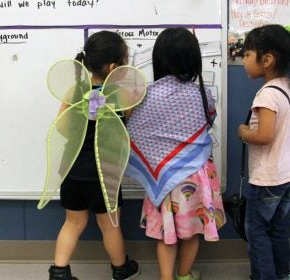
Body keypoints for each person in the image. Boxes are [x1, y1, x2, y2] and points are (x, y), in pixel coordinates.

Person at [126, 27, 226, 280]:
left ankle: (166, 278)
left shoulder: (144, 94)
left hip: (161, 178)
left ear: (159, 58)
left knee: (166, 232)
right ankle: (184, 275)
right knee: (192, 231)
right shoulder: (201, 93)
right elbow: (207, 120)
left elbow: (134, 131)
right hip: (195, 177)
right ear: (193, 59)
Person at [48, 30, 140, 280]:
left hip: (72, 167)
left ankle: (59, 271)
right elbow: (125, 128)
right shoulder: (123, 95)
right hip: (105, 170)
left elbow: (62, 127)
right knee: (110, 226)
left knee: (73, 223)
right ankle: (121, 268)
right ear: (114, 66)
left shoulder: (75, 90)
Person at [237, 24, 290, 280]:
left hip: (267, 180)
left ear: (266, 60)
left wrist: (244, 132)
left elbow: (265, 136)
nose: (243, 60)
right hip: (285, 176)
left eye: (247, 54)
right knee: (279, 230)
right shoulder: (286, 88)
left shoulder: (267, 95)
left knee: (256, 231)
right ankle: (282, 274)